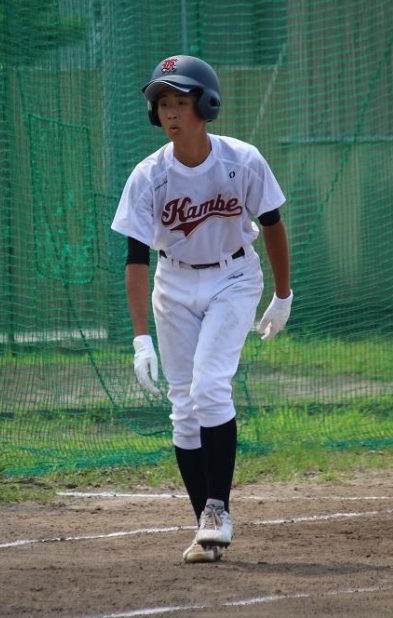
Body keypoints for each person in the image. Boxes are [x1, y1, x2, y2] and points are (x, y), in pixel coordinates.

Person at [111, 55, 292, 563]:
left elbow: (273, 223)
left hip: (233, 277)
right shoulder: (148, 175)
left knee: (212, 386)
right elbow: (135, 258)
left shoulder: (242, 160)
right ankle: (205, 527)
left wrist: (282, 295)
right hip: (173, 284)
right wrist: (140, 338)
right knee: (184, 409)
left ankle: (218, 509)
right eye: (163, 103)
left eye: (181, 102)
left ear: (206, 105)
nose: (171, 112)